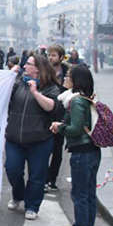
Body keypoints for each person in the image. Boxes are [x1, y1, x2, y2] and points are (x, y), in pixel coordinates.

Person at [5, 55, 60, 221]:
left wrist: (35, 92)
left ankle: (32, 205)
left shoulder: (50, 87)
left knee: (37, 174)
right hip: (15, 137)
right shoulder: (18, 83)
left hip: (39, 139)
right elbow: (3, 93)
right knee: (12, 169)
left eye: (28, 64)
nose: (24, 66)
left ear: (37, 68)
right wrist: (9, 76)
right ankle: (18, 195)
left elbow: (52, 107)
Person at [51, 65, 100, 226]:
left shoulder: (77, 101)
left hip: (82, 152)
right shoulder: (86, 98)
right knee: (89, 193)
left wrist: (59, 127)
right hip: (92, 152)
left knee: (80, 193)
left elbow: (75, 129)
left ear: (76, 80)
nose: (64, 78)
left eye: (68, 76)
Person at [45, 45, 69, 192]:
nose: (50, 58)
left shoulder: (68, 72)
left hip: (62, 115)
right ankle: (43, 179)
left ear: (61, 57)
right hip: (46, 115)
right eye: (49, 55)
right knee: (43, 149)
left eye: (53, 55)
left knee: (57, 151)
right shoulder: (44, 71)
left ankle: (52, 179)